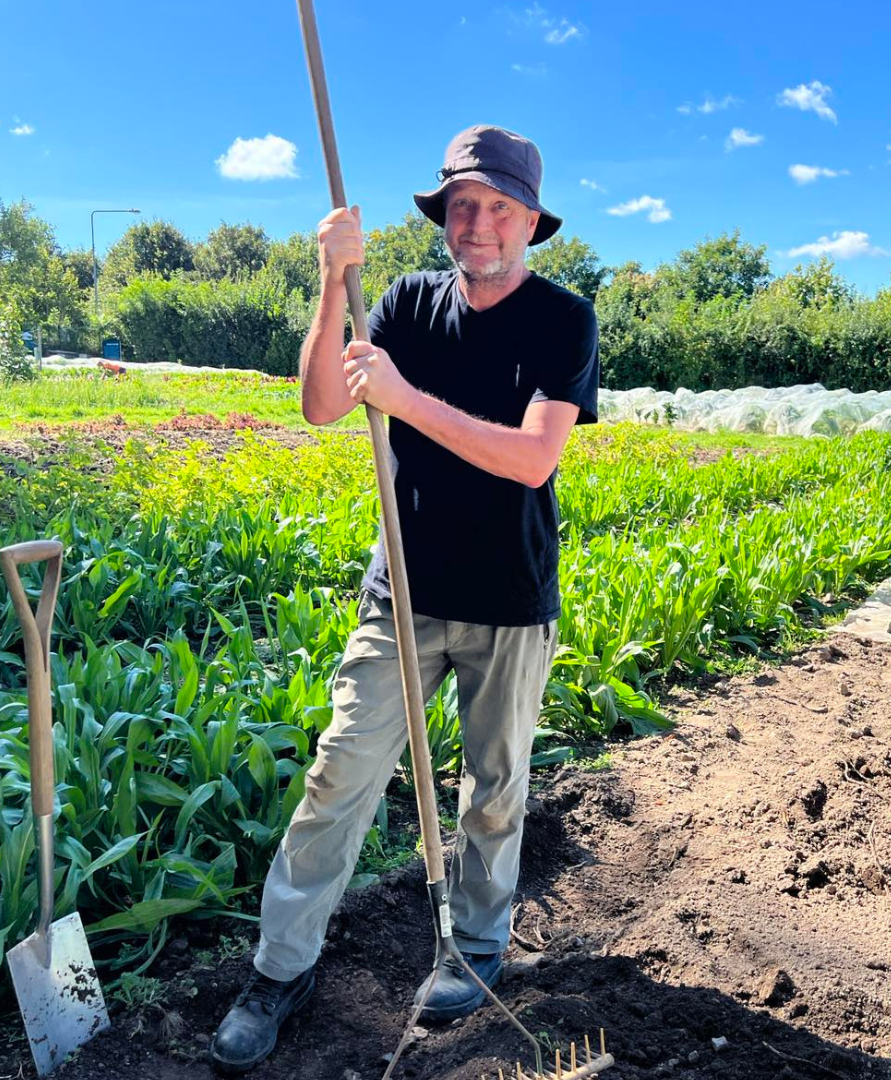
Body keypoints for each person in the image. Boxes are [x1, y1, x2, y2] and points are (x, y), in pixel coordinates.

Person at [211, 124, 599, 1074]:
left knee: (494, 791)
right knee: (339, 775)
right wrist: (328, 283)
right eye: (462, 205)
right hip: (403, 595)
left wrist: (409, 398)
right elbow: (323, 405)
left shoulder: (563, 320)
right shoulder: (404, 304)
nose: (477, 224)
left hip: (509, 600)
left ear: (530, 221)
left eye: (498, 207)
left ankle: (473, 947)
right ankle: (280, 969)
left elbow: (531, 457)